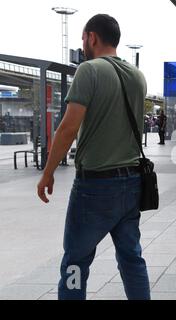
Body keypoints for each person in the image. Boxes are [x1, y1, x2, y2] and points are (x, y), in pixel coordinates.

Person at [37, 14, 150, 299]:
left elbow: (68, 128)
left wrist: (48, 172)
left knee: (76, 260)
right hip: (133, 183)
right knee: (131, 258)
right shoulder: (138, 76)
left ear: (92, 37)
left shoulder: (89, 71)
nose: (83, 44)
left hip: (95, 186)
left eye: (83, 38)